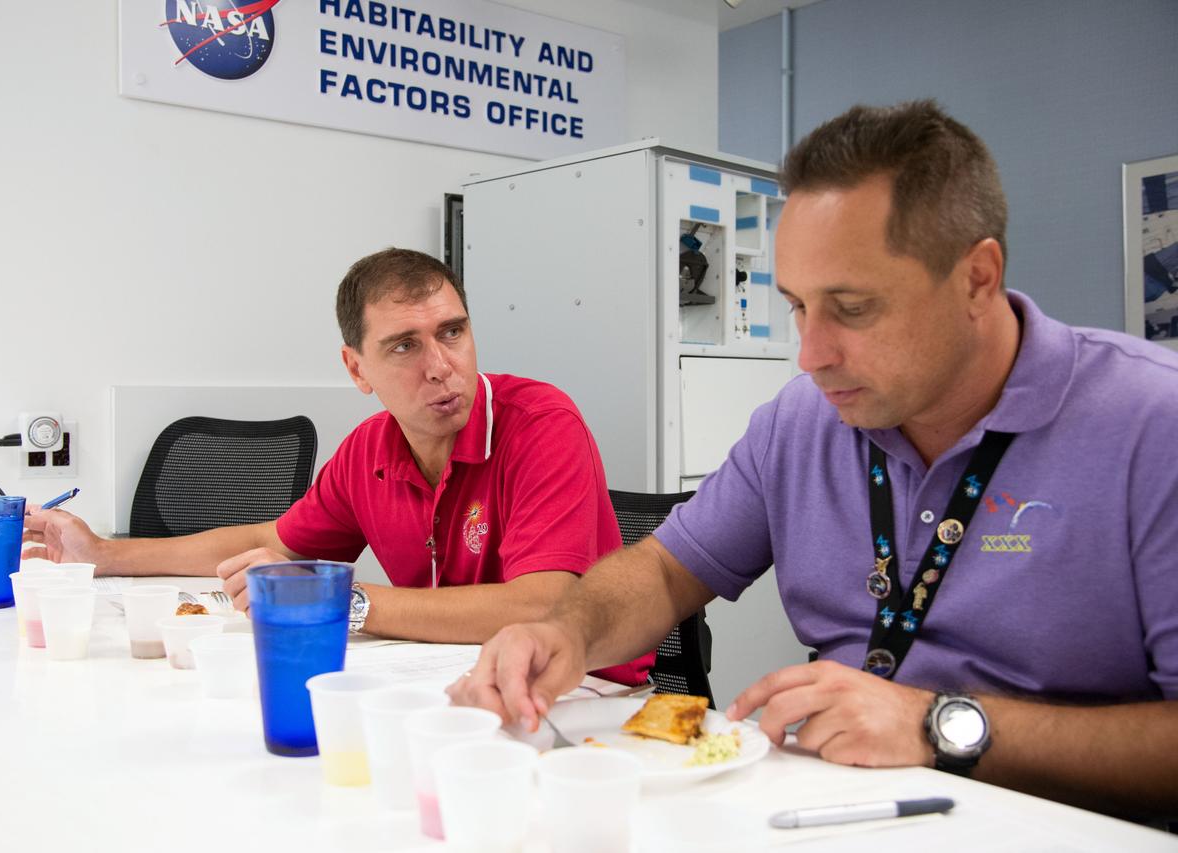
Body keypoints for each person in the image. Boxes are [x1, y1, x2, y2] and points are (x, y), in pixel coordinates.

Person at [449, 100, 1178, 818]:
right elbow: (667, 569)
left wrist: (938, 725)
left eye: (852, 308)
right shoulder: (804, 419)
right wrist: (568, 630)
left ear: (976, 279)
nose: (810, 355)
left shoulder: (1150, 426)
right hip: (832, 807)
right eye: (797, 305)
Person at [23, 248, 650, 685]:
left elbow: (544, 606)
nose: (439, 365)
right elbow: (270, 542)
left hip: (587, 693)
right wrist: (104, 554)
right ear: (357, 369)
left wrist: (348, 604)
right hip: (453, 676)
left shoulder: (540, 423)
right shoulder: (369, 450)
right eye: (405, 345)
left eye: (452, 332)